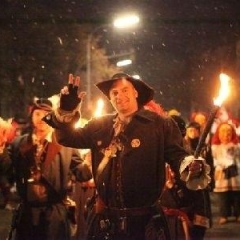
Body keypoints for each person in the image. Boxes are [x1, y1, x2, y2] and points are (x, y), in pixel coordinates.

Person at [45, 73, 210, 240]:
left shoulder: (160, 124)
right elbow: (66, 138)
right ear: (109, 98)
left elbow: (177, 156)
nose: (119, 96)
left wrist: (190, 166)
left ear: (136, 92)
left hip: (146, 224)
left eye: (125, 90)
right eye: (114, 93)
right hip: (105, 224)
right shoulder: (99, 125)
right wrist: (66, 112)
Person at [9, 98, 92, 240]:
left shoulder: (65, 144)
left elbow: (82, 174)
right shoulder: (19, 143)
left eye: (46, 114)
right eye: (37, 114)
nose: (41, 118)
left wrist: (90, 161)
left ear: (53, 118)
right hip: (27, 213)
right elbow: (8, 171)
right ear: (32, 117)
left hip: (54, 215)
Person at [211, 122, 240, 224]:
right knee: (222, 196)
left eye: (228, 132)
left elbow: (238, 159)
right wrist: (219, 167)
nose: (226, 134)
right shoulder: (215, 147)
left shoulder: (236, 146)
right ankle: (224, 215)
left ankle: (238, 213)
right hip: (221, 173)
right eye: (222, 131)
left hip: (235, 173)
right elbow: (214, 159)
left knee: (237, 195)